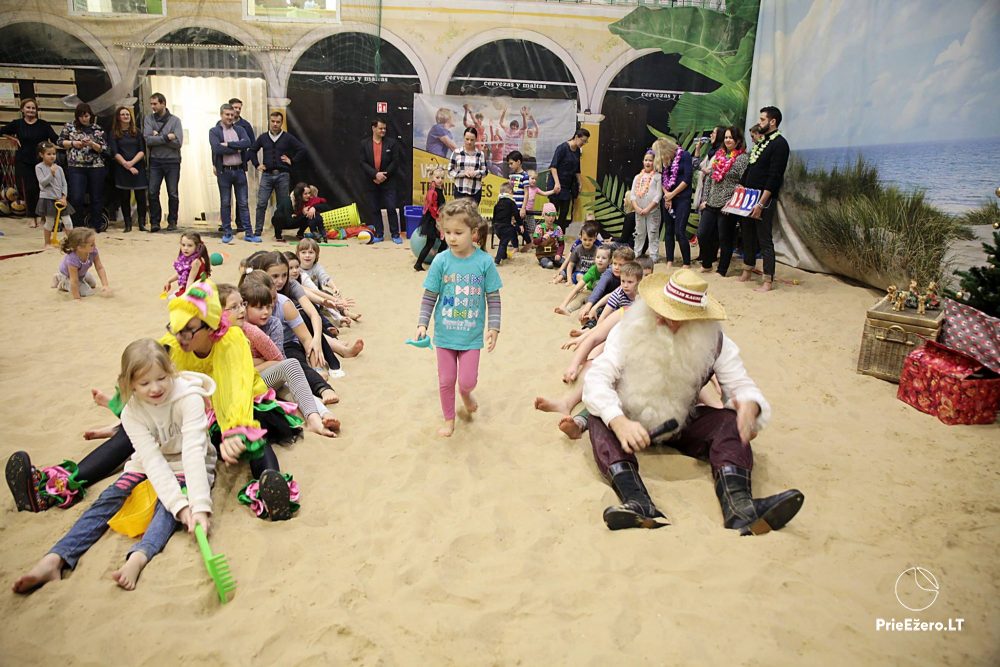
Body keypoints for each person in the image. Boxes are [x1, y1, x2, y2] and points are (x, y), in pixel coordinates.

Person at [581, 268, 804, 533]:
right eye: (662, 313)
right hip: (629, 426)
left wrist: (750, 407)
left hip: (680, 424)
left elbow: (741, 386)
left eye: (678, 318)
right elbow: (597, 379)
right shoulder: (629, 329)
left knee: (728, 421)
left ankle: (739, 507)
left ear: (697, 320)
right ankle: (638, 502)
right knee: (599, 417)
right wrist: (618, 422)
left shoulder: (715, 342)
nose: (666, 322)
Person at [11, 339, 216, 594]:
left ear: (170, 371)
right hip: (149, 463)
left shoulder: (189, 398)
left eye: (162, 378)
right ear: (129, 383)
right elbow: (151, 461)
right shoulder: (131, 413)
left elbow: (193, 453)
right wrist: (181, 506)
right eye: (144, 383)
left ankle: (138, 558)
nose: (155, 388)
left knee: (167, 509)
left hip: (186, 464)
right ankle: (56, 558)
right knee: (110, 497)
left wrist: (196, 506)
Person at [415, 198, 502, 437]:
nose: (452, 238)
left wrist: (494, 327)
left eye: (458, 232)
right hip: (444, 335)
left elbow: (493, 298)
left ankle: (465, 394)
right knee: (445, 380)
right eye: (448, 232)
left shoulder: (484, 262)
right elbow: (429, 296)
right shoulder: (441, 261)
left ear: (473, 232)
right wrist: (422, 324)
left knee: (466, 381)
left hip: (471, 336)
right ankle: (449, 420)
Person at [740, 107, 790, 292]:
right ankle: (747, 269)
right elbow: (751, 169)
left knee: (764, 238)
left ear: (773, 122)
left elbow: (774, 177)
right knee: (747, 234)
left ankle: (768, 280)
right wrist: (742, 188)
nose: (759, 122)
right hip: (749, 197)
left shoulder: (780, 144)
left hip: (764, 199)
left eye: (762, 119)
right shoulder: (761, 143)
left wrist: (761, 203)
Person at [1, 98, 58, 228]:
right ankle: (32, 216)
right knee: (30, 189)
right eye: (28, 108)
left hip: (42, 162)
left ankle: (44, 216)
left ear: (36, 110)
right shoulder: (17, 124)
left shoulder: (44, 124)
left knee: (43, 189)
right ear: (22, 110)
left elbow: (55, 138)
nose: (31, 110)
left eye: (33, 108)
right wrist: (12, 138)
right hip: (24, 161)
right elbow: (2, 130)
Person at [701, 126, 749, 276]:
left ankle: (722, 270)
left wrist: (732, 203)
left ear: (738, 140)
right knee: (702, 234)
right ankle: (707, 263)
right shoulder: (718, 155)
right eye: (726, 137)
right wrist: (704, 199)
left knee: (724, 239)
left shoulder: (742, 158)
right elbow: (710, 178)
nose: (728, 140)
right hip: (711, 202)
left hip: (727, 205)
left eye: (731, 138)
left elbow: (743, 183)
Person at [250, 111, 306, 241]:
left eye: (278, 122)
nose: (275, 124)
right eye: (273, 121)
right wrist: (257, 164)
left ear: (281, 123)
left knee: (282, 204)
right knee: (261, 203)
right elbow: (252, 151)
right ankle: (258, 230)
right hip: (267, 175)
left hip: (283, 175)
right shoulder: (263, 137)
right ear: (269, 121)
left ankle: (279, 232)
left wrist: (292, 160)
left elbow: (302, 149)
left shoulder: (287, 137)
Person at [210, 103, 255, 244]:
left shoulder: (240, 129)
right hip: (224, 172)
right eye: (227, 114)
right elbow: (217, 149)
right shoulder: (214, 131)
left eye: (232, 114)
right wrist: (237, 147)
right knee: (225, 203)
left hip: (239, 171)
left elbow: (247, 143)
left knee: (243, 203)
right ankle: (227, 232)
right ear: (221, 115)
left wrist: (228, 145)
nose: (230, 117)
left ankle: (249, 233)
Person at [59, 103, 107, 231]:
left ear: (90, 115)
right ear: (77, 117)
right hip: (76, 166)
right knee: (76, 197)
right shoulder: (69, 127)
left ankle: (96, 225)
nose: (84, 119)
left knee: (96, 197)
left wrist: (91, 144)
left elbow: (104, 148)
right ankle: (77, 225)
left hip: (96, 166)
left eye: (86, 116)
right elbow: (60, 142)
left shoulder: (97, 129)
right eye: (81, 116)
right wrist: (74, 143)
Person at [143, 93, 183, 233]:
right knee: (153, 192)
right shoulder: (148, 119)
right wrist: (167, 137)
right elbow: (148, 140)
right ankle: (155, 222)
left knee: (173, 193)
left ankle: (172, 221)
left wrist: (158, 137)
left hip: (172, 161)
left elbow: (178, 143)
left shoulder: (175, 121)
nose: (152, 106)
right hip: (155, 161)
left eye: (155, 104)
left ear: (163, 103)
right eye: (151, 104)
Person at [652, 136, 694, 268]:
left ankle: (686, 262)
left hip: (682, 198)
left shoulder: (685, 156)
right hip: (668, 198)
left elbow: (687, 179)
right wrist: (667, 195)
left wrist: (672, 194)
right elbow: (663, 179)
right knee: (668, 229)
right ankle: (669, 260)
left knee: (679, 230)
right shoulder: (665, 161)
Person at [360, 117, 402, 243]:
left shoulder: (392, 143)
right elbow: (362, 162)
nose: (383, 130)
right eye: (380, 128)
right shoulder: (364, 144)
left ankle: (395, 234)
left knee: (391, 207)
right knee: (374, 208)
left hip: (388, 181)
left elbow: (395, 162)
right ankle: (379, 233)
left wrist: (384, 176)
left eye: (384, 128)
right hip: (371, 182)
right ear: (373, 128)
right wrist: (375, 175)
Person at [108, 106, 149, 233]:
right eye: (123, 114)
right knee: (124, 197)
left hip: (138, 166)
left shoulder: (137, 132)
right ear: (118, 117)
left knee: (141, 197)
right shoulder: (114, 133)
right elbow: (115, 152)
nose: (126, 116)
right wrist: (126, 165)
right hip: (122, 168)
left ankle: (142, 223)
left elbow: (142, 151)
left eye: (127, 114)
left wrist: (132, 163)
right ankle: (128, 224)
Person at [548, 128, 590, 232]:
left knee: (565, 211)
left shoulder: (577, 152)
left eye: (586, 141)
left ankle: (559, 235)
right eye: (583, 141)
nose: (584, 143)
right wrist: (557, 183)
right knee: (553, 212)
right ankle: (549, 234)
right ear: (576, 137)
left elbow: (577, 170)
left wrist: (579, 182)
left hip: (567, 186)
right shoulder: (562, 148)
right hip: (556, 185)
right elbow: (553, 167)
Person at [52, 227, 110, 300]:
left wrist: (105, 285)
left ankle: (74, 280)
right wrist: (77, 298)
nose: (95, 246)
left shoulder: (93, 251)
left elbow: (99, 267)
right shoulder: (72, 259)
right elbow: (74, 280)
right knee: (87, 293)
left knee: (93, 284)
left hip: (81, 274)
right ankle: (61, 281)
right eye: (91, 245)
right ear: (79, 248)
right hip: (69, 275)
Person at [35, 141, 74, 247]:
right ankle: (47, 243)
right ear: (41, 155)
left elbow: (64, 184)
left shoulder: (59, 168)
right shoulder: (39, 167)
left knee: (68, 222)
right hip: (47, 199)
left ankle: (70, 243)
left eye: (53, 154)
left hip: (60, 199)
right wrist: (51, 173)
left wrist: (64, 197)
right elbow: (42, 183)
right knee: (50, 222)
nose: (52, 156)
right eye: (49, 154)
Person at [555, 244, 611, 315]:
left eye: (604, 258)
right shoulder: (592, 270)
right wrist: (563, 304)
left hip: (601, 296)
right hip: (589, 291)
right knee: (579, 298)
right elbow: (577, 288)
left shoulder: (610, 272)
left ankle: (584, 312)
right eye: (598, 257)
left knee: (591, 306)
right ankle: (568, 309)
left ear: (610, 261)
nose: (600, 260)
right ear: (595, 258)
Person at [630, 149, 663, 263]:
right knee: (639, 233)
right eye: (646, 160)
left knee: (653, 232)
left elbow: (658, 195)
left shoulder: (658, 177)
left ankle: (654, 255)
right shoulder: (637, 177)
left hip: (652, 211)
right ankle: (637, 253)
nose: (648, 163)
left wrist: (648, 208)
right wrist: (637, 208)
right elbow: (633, 195)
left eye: (650, 160)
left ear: (655, 162)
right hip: (639, 211)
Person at [414, 167, 447, 271]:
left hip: (436, 220)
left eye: (442, 177)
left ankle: (432, 263)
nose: (440, 180)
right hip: (432, 221)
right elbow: (432, 208)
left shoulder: (439, 190)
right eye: (437, 177)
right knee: (431, 243)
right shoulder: (433, 191)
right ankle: (420, 264)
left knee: (441, 242)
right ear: (432, 178)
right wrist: (438, 220)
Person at [163, 232, 211, 297]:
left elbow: (190, 280)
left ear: (197, 247)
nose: (185, 248)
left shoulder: (195, 262)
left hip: (196, 289)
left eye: (190, 245)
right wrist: (169, 281)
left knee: (172, 300)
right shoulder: (188, 258)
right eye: (183, 245)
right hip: (190, 286)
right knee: (173, 297)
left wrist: (185, 297)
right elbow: (182, 273)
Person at [448, 127, 486, 205]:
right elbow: (449, 171)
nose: (469, 142)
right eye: (467, 139)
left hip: (475, 190)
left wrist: (476, 173)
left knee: (472, 215)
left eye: (472, 140)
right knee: (459, 214)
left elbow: (485, 172)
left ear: (476, 139)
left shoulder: (480, 154)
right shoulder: (456, 152)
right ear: (464, 138)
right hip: (459, 189)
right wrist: (463, 173)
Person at [492, 182, 522, 265]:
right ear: (509, 191)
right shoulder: (511, 202)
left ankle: (504, 256)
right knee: (503, 243)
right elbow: (516, 214)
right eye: (512, 192)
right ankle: (497, 260)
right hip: (505, 226)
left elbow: (494, 215)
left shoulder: (497, 203)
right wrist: (521, 224)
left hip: (496, 226)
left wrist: (493, 225)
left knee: (504, 240)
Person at [532, 202, 565, 269]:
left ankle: (554, 260)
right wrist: (541, 238)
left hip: (554, 253)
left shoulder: (558, 228)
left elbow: (561, 244)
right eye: (549, 215)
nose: (551, 218)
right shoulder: (539, 227)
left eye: (553, 215)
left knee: (564, 263)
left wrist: (559, 254)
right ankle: (545, 261)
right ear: (544, 215)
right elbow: (535, 241)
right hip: (542, 255)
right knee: (549, 265)